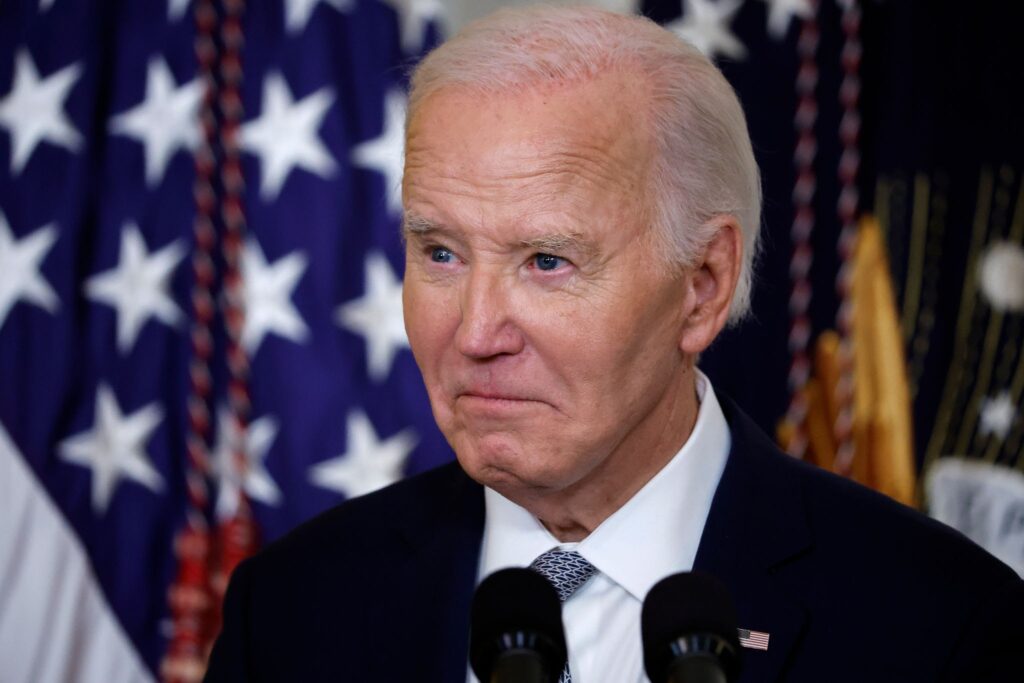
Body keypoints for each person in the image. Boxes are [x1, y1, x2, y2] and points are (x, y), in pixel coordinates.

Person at [204, 6, 1024, 682]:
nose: (476, 333)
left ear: (701, 286)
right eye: (441, 252)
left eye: (548, 261)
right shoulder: (290, 612)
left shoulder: (942, 628)